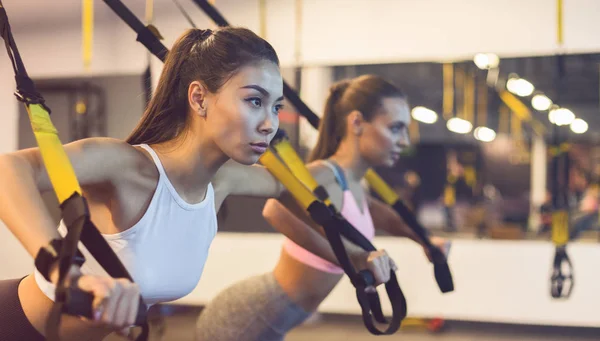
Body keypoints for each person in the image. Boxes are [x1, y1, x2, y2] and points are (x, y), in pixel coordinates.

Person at [0, 27, 286, 341]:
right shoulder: (127, 167)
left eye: (276, 107)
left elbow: (294, 183)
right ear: (199, 98)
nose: (270, 124)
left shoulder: (222, 182)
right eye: (255, 101)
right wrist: (62, 269)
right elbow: (7, 168)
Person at [195, 75, 446, 341]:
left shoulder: (355, 182)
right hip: (246, 317)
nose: (405, 141)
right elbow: (274, 211)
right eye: (396, 128)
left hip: (277, 321)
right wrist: (351, 257)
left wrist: (426, 240)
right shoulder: (324, 175)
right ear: (357, 123)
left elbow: (387, 217)